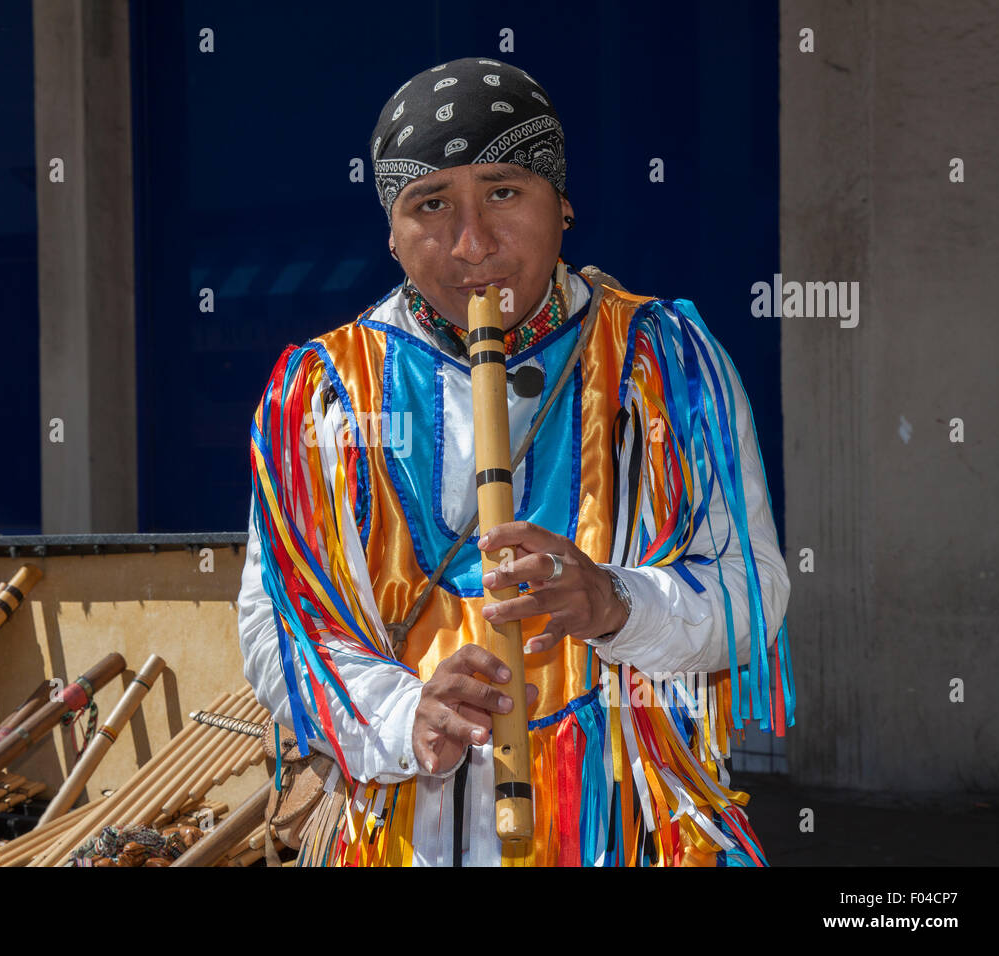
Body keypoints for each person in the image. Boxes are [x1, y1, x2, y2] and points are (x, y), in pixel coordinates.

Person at [237, 57, 795, 866]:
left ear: (562, 204)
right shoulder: (323, 394)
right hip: (408, 837)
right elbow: (273, 629)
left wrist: (616, 602)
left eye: (504, 191)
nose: (474, 244)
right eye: (431, 205)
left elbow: (756, 592)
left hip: (631, 830)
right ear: (391, 235)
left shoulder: (665, 364)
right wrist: (403, 718)